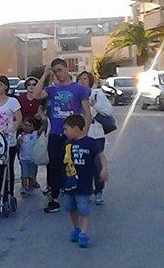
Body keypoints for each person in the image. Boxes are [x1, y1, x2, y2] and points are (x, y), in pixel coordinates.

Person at [32, 59, 91, 214]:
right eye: (55, 71)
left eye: (59, 70)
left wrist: (84, 133)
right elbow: (36, 95)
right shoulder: (52, 90)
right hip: (55, 133)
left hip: (72, 134)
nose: (57, 74)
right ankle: (54, 197)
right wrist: (45, 74)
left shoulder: (79, 89)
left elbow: (87, 113)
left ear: (66, 69)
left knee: (74, 165)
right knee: (54, 166)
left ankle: (77, 194)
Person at [61, 113, 108, 248]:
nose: (64, 132)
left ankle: (84, 233)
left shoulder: (90, 143)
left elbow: (101, 156)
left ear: (76, 128)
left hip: (84, 184)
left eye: (66, 129)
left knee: (83, 209)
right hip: (69, 183)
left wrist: (104, 169)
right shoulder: (67, 144)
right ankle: (76, 228)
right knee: (71, 208)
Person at [77, 70, 113, 204]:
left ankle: (98, 191)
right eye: (80, 79)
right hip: (80, 135)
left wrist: (94, 104)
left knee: (97, 164)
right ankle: (85, 191)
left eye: (85, 79)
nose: (82, 81)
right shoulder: (75, 95)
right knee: (83, 165)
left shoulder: (97, 94)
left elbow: (108, 111)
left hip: (96, 134)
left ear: (90, 81)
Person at [17, 117, 41, 195]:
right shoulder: (20, 136)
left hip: (33, 159)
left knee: (31, 175)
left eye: (29, 125)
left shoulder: (35, 134)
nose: (27, 127)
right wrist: (19, 143)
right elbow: (18, 147)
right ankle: (24, 188)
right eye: (25, 125)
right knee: (24, 174)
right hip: (23, 158)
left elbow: (42, 129)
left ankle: (30, 188)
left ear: (33, 127)